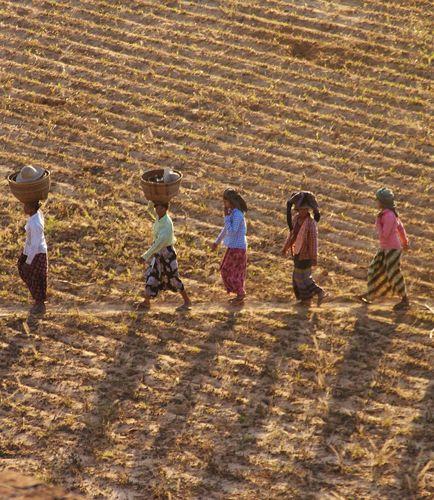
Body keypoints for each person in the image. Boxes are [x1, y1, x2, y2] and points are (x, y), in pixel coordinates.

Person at [361, 188, 410, 310]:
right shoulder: (389, 214)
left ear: (382, 202)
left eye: (377, 200)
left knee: (393, 273)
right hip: (385, 248)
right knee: (374, 268)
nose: (376, 202)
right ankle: (371, 294)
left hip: (392, 249)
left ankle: (405, 299)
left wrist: (378, 222)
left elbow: (385, 234)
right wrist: (405, 242)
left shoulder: (388, 216)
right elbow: (401, 228)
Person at [139, 201, 191, 311]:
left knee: (173, 277)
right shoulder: (159, 218)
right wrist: (152, 199)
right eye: (157, 208)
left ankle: (187, 301)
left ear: (166, 209)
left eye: (161, 208)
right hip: (159, 253)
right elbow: (150, 210)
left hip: (167, 254)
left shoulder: (167, 224)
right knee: (152, 274)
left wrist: (145, 256)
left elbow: (158, 243)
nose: (158, 210)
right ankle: (147, 301)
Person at [282, 192, 326, 306]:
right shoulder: (296, 219)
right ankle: (316, 294)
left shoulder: (311, 224)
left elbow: (313, 242)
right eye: (300, 209)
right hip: (297, 252)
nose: (302, 211)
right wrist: (285, 248)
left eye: (305, 209)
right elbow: (292, 235)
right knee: (304, 278)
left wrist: (313, 257)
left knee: (299, 277)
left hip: (306, 254)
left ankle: (308, 298)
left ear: (308, 210)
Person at [212, 189, 248, 305]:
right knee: (228, 269)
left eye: (225, 202)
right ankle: (239, 294)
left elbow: (232, 231)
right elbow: (226, 229)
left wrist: (226, 218)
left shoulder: (237, 214)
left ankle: (240, 294)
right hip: (233, 247)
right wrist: (217, 242)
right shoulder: (232, 213)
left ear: (231, 201)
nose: (224, 204)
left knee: (229, 270)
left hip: (238, 248)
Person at [18, 200, 48, 316]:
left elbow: (35, 245)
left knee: (36, 277)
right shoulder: (35, 216)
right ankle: (38, 302)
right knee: (29, 273)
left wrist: (28, 261)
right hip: (32, 251)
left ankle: (40, 304)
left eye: (26, 204)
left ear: (31, 208)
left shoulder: (35, 223)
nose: (24, 207)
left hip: (37, 253)